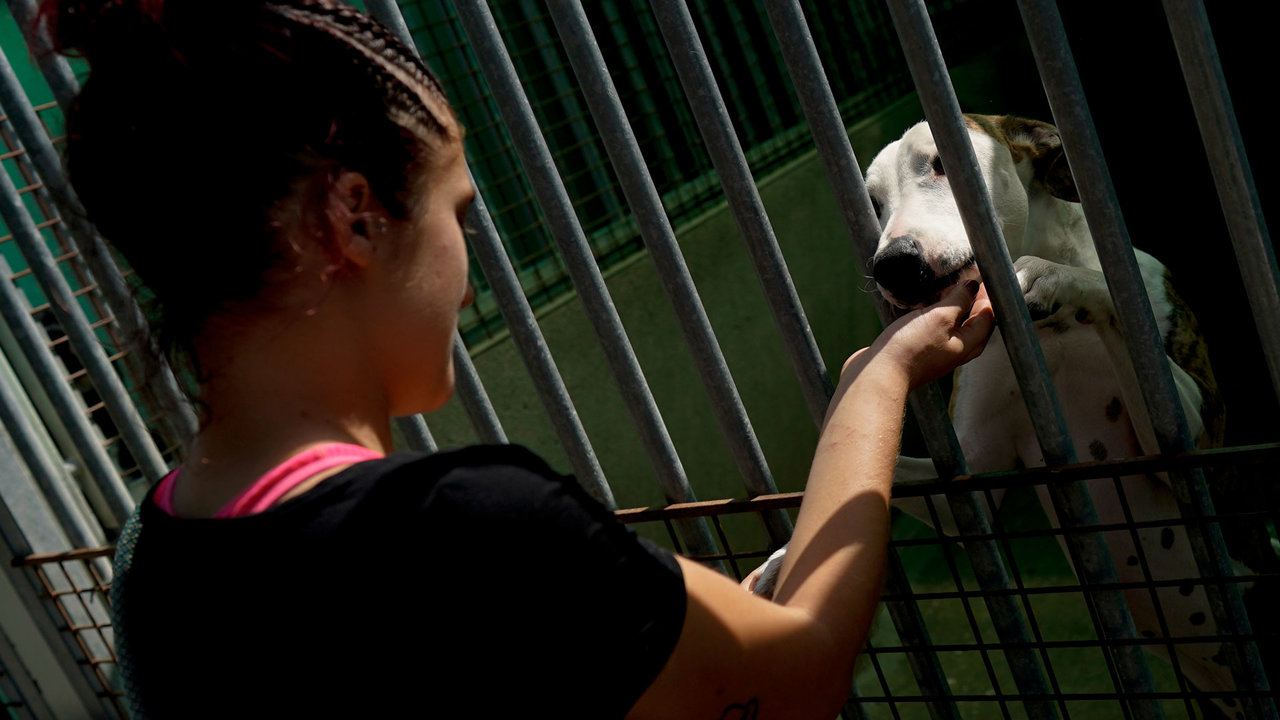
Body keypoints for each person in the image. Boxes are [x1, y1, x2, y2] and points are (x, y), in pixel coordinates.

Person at [42, 0, 995, 717]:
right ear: (354, 216)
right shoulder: (466, 526)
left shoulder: (155, 557)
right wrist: (879, 382)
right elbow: (804, 669)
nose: (467, 276)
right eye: (458, 213)